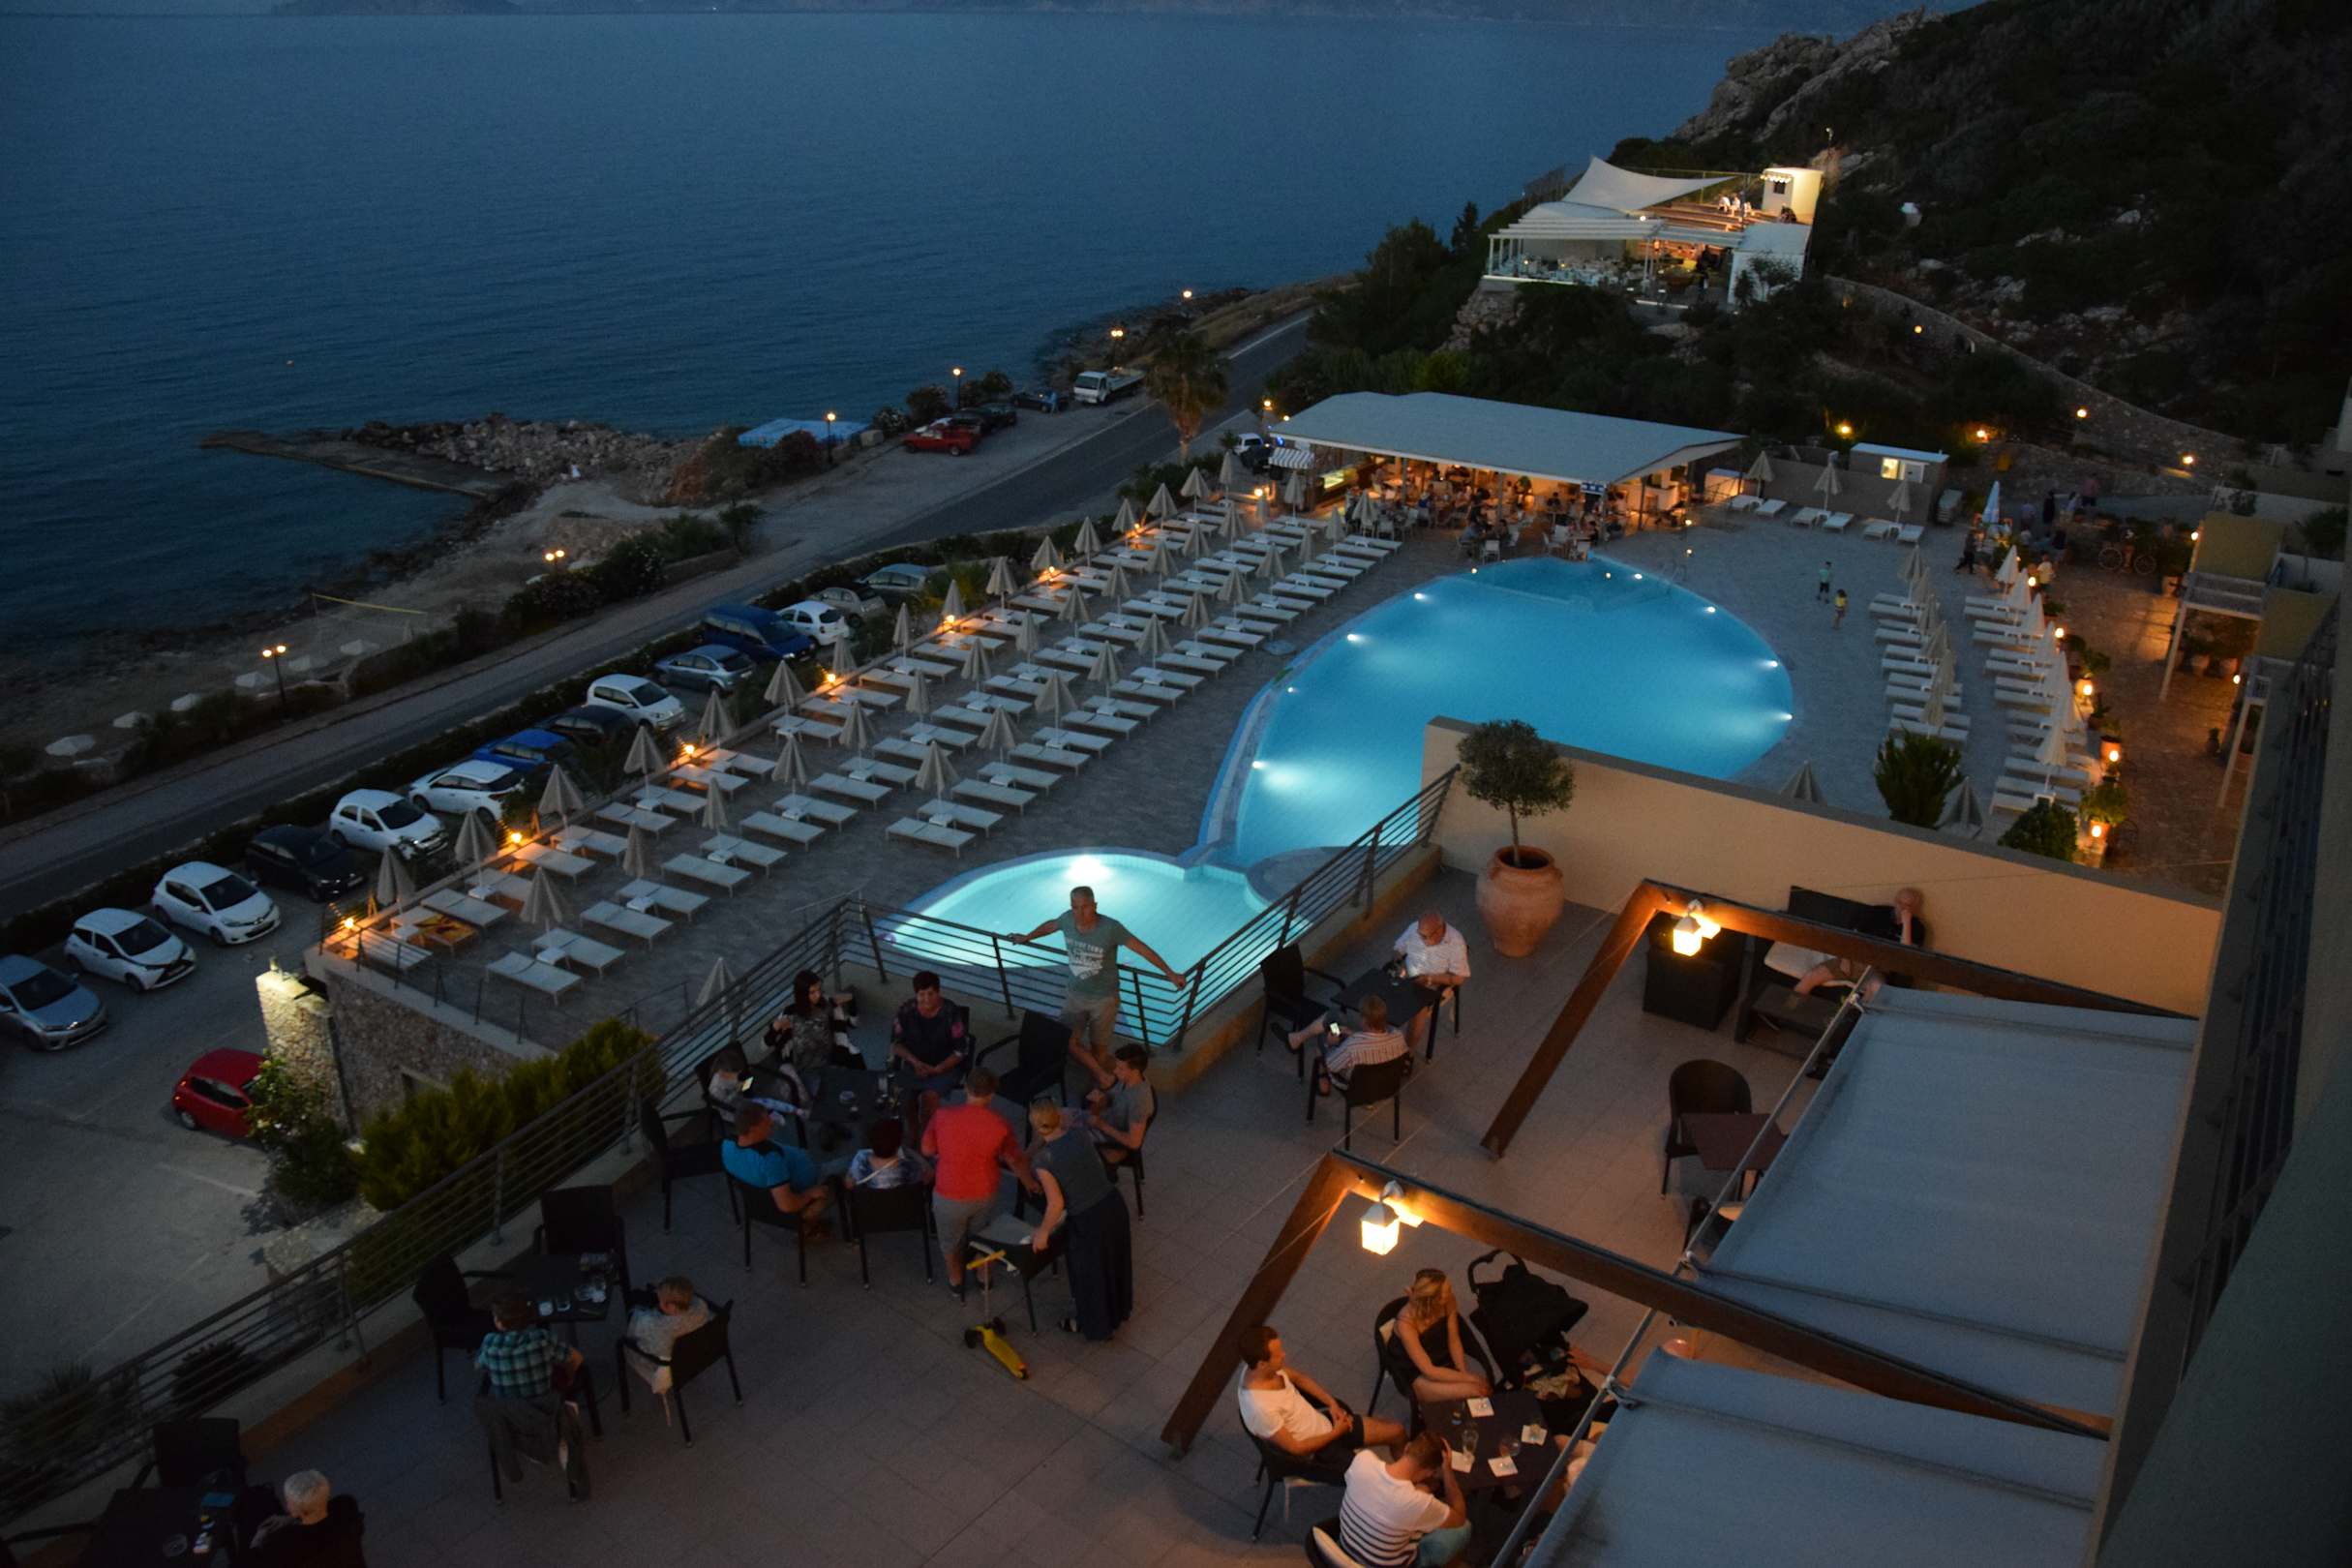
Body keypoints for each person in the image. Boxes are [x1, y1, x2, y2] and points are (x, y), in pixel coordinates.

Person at [1008, 885, 1185, 1089]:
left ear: (1095, 906)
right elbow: (1050, 926)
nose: (1080, 912)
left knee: (1098, 1050)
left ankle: (1099, 1087)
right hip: (1075, 996)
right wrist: (1027, 937)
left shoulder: (1111, 928)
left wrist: (1170, 973)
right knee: (1066, 1040)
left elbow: (1142, 949)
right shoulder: (1067, 919)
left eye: (1085, 907)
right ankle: (1104, 1077)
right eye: (1075, 907)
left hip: (1104, 1000)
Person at [920, 1066, 1031, 1295]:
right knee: (981, 1235)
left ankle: (956, 1281)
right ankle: (983, 1277)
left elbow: (927, 1150)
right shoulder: (999, 1124)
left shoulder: (943, 1116)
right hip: (984, 1192)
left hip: (949, 1193)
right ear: (991, 1094)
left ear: (967, 1089)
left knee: (950, 1242)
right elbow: (1014, 1159)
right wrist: (1030, 1183)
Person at [1027, 1100, 1133, 1340]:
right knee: (1114, 1262)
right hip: (1113, 1204)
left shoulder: (1043, 1160)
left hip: (1088, 1219)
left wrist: (1043, 1231)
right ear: (1057, 1116)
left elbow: (1056, 1203)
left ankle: (1096, 1326)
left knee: (1091, 1274)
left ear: (1036, 1127)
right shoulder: (1079, 1135)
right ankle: (1118, 1311)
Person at [1237, 1324, 1407, 1472]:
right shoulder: (1261, 1409)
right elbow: (1297, 1449)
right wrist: (1336, 1433)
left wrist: (1331, 1403)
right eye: (1278, 1354)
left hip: (1326, 1424)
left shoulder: (1259, 1370)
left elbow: (1300, 1378)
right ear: (1262, 1364)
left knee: (1397, 1431)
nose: (1284, 1354)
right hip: (1319, 1454)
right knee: (1382, 1479)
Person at [1338, 1432, 1471, 1568]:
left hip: (1344, 1550)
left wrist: (1421, 1491)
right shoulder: (1418, 1503)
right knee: (1465, 1528)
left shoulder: (1363, 1460)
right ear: (1430, 1472)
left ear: (1407, 1447)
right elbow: (1459, 1518)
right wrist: (1447, 1471)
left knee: (1422, 1495)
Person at [719, 1102, 832, 1238]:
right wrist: (810, 1193)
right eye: (766, 1121)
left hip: (761, 1196)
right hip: (811, 1180)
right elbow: (787, 1205)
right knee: (848, 1167)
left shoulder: (727, 1144)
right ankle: (808, 1226)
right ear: (753, 1129)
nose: (771, 1122)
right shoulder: (769, 1161)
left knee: (787, 1129)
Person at [1793, 887, 1928, 998]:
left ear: (1915, 908)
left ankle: (1856, 1021)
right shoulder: (1878, 913)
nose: (1902, 908)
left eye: (1907, 905)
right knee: (1811, 977)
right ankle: (1790, 1008)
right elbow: (1851, 935)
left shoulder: (1917, 928)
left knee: (1878, 990)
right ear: (1895, 901)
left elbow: (1906, 954)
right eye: (1899, 903)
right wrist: (1845, 958)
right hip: (1853, 960)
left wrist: (1906, 923)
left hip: (1876, 969)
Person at [1394, 1269, 1490, 1402]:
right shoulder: (1406, 1324)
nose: (1451, 1293)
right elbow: (1429, 1371)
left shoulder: (1448, 1300)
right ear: (1434, 1301)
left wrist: (1462, 1371)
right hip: (1417, 1371)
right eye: (1447, 1291)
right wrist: (1468, 1378)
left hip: (1441, 1355)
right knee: (1476, 1391)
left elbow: (1453, 1339)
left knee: (1482, 1387)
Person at [1292, 993, 1408, 1098]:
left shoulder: (1353, 1046)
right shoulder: (1398, 1036)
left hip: (1357, 1088)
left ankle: (1323, 1083)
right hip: (1387, 1086)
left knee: (1323, 1035)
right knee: (1335, 1017)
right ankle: (1297, 1038)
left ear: (1364, 1020)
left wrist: (1329, 1044)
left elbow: (1331, 1065)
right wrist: (1353, 1034)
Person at [246, 1470, 365, 1566]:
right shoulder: (345, 1508)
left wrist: (257, 1542)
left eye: (289, 1502)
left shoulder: (282, 1541)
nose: (287, 1506)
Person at [475, 1294, 584, 1400]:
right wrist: (570, 1379)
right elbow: (575, 1358)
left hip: (508, 1409)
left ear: (499, 1323)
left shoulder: (489, 1341)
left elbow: (478, 1365)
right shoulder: (542, 1337)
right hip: (543, 1406)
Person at [620, 1276, 712, 1399]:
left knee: (637, 1306)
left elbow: (641, 1343)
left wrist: (639, 1315)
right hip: (693, 1354)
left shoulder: (655, 1328)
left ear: (672, 1307)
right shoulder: (701, 1309)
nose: (659, 1303)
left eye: (661, 1301)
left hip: (665, 1362)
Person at [1391, 910, 1469, 1053]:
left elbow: (1458, 978)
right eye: (1420, 934)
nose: (1420, 939)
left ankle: (1407, 1051)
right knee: (1381, 993)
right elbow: (1398, 949)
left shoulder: (1456, 942)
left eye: (1424, 937)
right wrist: (1398, 964)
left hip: (1433, 983)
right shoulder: (1415, 928)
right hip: (1409, 975)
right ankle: (1381, 1040)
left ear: (1438, 931)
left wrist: (1430, 978)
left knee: (1418, 1009)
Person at [888, 971, 970, 1101]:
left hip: (946, 1066)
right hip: (915, 1064)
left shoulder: (951, 1012)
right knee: (905, 1099)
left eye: (931, 993)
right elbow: (896, 1044)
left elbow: (961, 1050)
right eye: (922, 994)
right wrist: (915, 1062)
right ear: (916, 994)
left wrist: (939, 1069)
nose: (927, 999)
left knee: (929, 1098)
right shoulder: (906, 1010)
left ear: (938, 992)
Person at [764, 969, 859, 1075]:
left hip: (831, 1061)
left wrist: (851, 1000)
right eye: (812, 992)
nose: (818, 995)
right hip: (804, 1069)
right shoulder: (790, 1013)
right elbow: (765, 1045)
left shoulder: (827, 1004)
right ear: (802, 994)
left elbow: (852, 1024)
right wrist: (775, 1027)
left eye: (819, 989)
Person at [1082, 1044, 1154, 1165]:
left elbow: (1134, 1142)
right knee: (1058, 1121)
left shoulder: (1139, 1101)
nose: (1115, 1071)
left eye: (1120, 1068)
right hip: (1102, 1121)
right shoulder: (1128, 1080)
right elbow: (1112, 1096)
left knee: (1066, 1139)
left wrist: (1101, 1125)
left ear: (1135, 1071)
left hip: (1110, 1138)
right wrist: (1099, 1099)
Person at [847, 1116, 932, 1189]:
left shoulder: (861, 1160)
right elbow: (930, 1175)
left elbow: (848, 1183)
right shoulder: (909, 1168)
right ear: (898, 1146)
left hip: (868, 1202)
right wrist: (908, 1151)